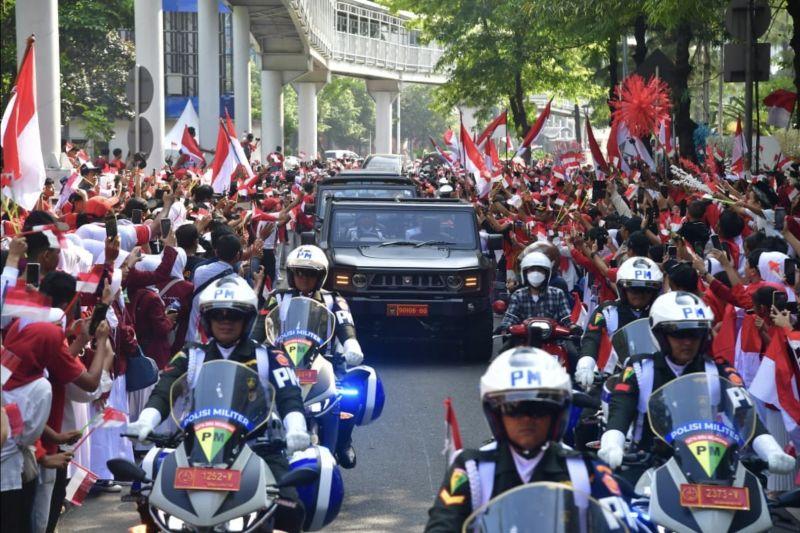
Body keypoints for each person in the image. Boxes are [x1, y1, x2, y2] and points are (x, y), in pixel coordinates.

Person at [126, 276, 309, 533]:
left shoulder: (269, 357)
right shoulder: (191, 355)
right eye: (218, 315)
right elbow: (164, 389)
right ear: (207, 320)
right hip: (196, 449)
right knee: (147, 497)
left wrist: (296, 428)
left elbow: (290, 395)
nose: (225, 321)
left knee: (291, 507)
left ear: (246, 320)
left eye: (233, 315)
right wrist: (146, 420)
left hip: (258, 447)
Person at [425, 348, 639, 532]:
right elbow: (442, 525)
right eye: (513, 409)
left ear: (557, 414)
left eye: (538, 409)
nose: (526, 419)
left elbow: (624, 524)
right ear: (496, 414)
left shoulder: (586, 471)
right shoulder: (472, 471)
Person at [598, 291, 796, 480]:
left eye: (695, 334)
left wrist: (771, 450)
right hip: (648, 467)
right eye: (678, 334)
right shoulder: (639, 369)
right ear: (659, 334)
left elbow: (745, 415)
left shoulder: (720, 371)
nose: (687, 342)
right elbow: (620, 411)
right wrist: (612, 444)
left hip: (709, 469)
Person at [257, 245, 365, 468]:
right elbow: (261, 326)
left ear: (320, 276)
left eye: (310, 273)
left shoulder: (333, 299)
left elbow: (345, 323)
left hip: (325, 362)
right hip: (284, 363)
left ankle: (343, 442)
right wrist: (253, 346)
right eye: (299, 272)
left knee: (351, 396)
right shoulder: (278, 298)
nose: (303, 278)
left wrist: (351, 342)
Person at [576, 256, 664, 388]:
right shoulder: (608, 310)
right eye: (633, 288)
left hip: (655, 380)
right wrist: (585, 365)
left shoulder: (662, 314)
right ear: (623, 288)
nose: (639, 294)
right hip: (614, 377)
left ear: (654, 291)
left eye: (646, 289)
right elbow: (591, 338)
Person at [498, 251, 573, 331]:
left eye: (540, 270)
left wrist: (573, 326)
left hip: (553, 340)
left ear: (547, 274)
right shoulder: (518, 295)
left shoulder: (557, 294)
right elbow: (511, 317)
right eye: (532, 270)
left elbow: (566, 317)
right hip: (524, 340)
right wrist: (504, 326)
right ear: (525, 274)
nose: (536, 274)